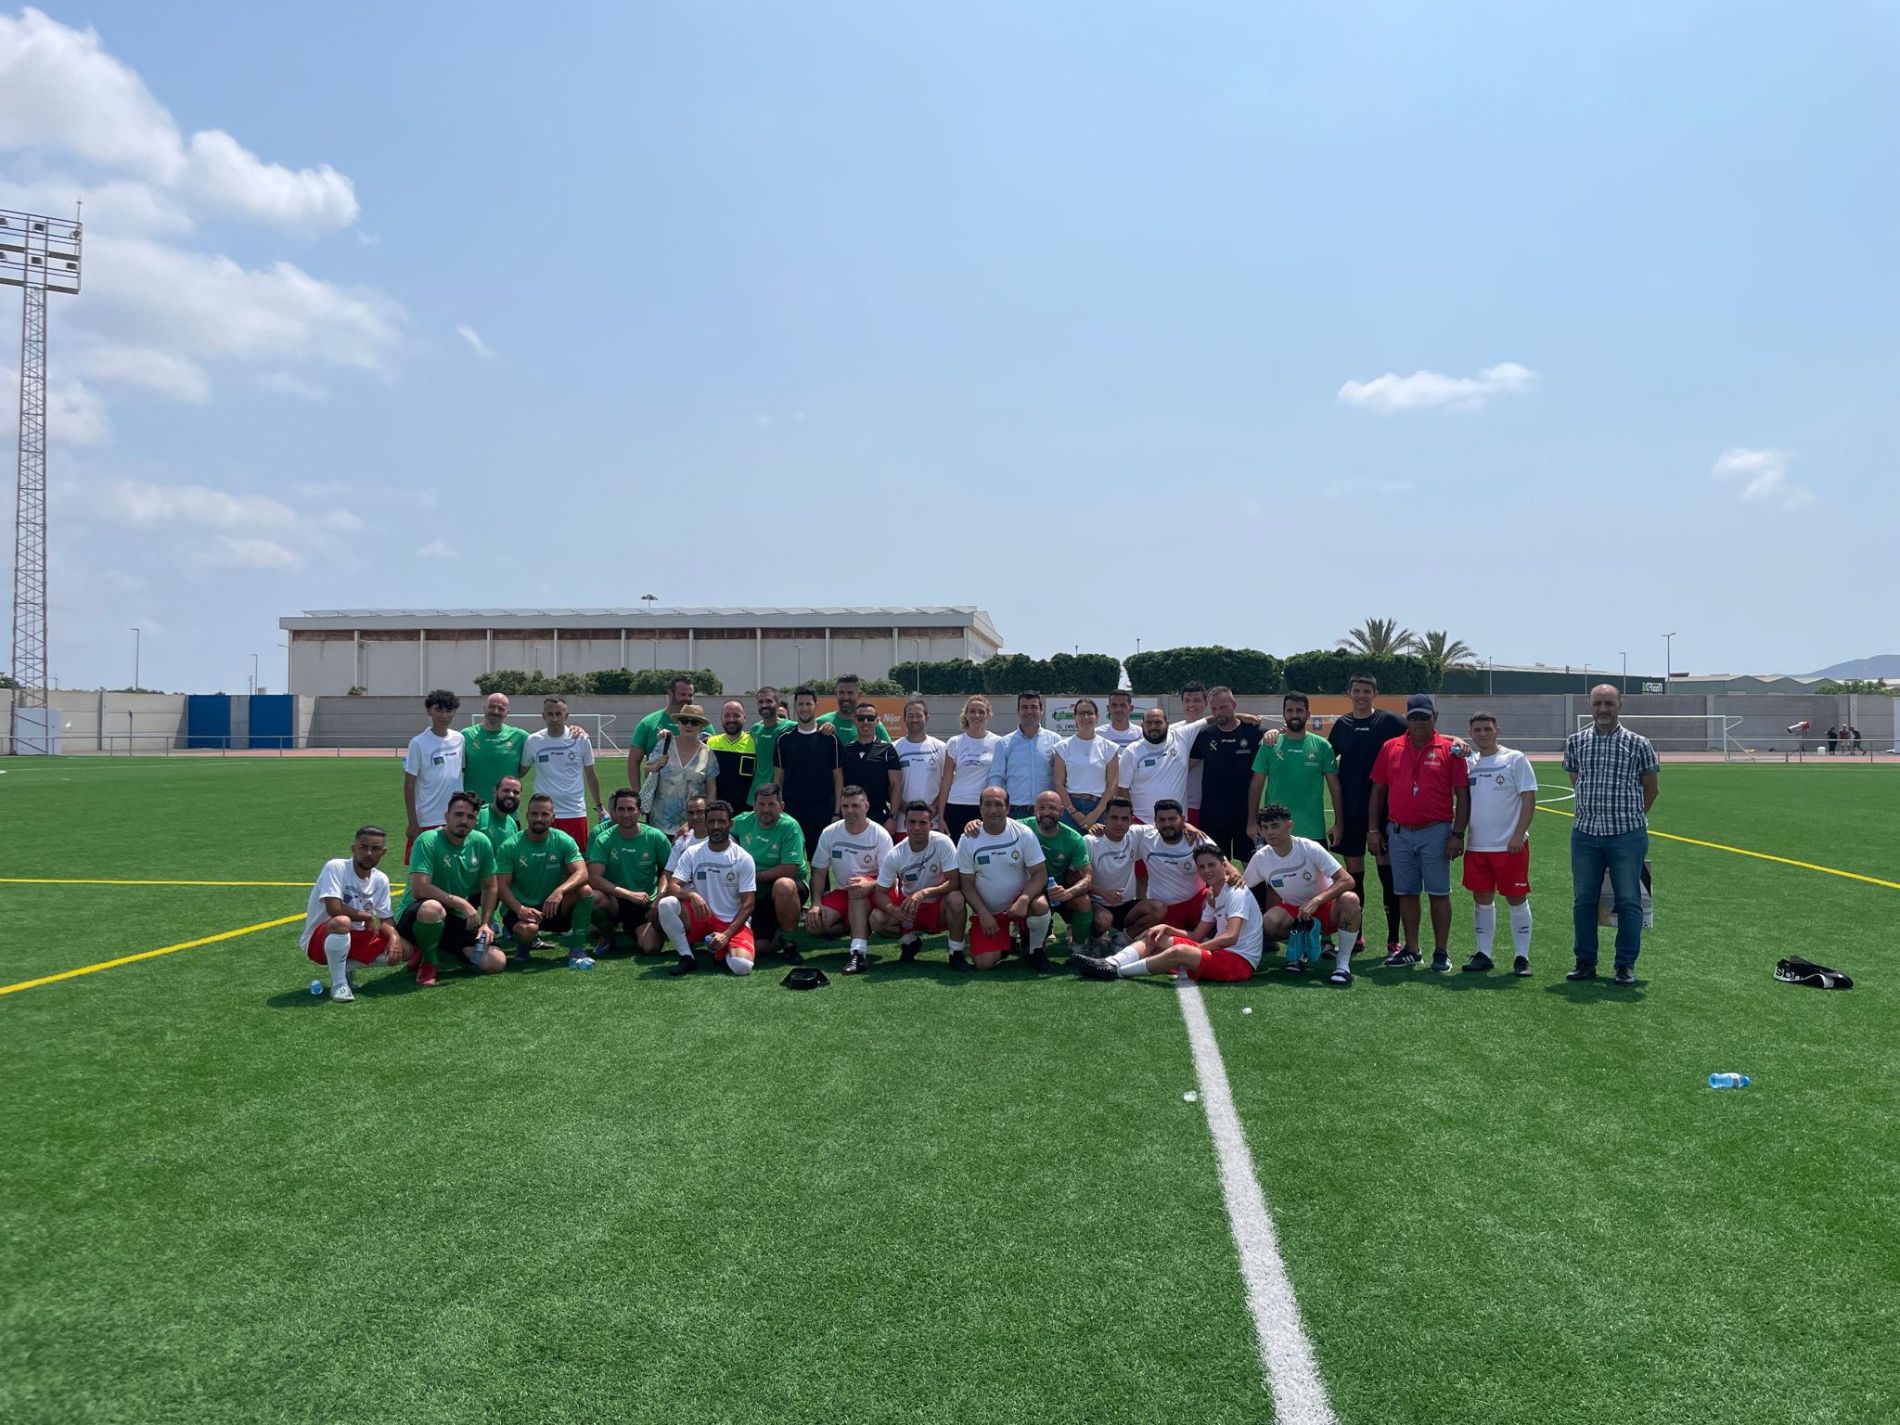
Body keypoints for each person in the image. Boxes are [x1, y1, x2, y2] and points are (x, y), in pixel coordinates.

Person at [1563, 684, 1660, 986]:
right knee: (1584, 900)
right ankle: (1585, 962)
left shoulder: (1638, 743)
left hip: (1626, 836)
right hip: (1586, 834)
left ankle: (1625, 965)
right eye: (1597, 703)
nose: (1603, 709)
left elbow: (1651, 787)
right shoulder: (1576, 742)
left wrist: (1631, 819)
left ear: (1620, 704)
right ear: (1589, 705)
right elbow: (1576, 779)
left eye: (1609, 703)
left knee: (1629, 900)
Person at [1367, 694, 1471, 973]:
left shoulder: (1450, 750)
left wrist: (1458, 834)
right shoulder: (1390, 747)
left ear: (1434, 717)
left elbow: (1463, 795)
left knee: (1439, 893)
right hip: (1398, 832)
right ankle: (1412, 949)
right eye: (1413, 717)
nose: (1418, 722)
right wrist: (1374, 829)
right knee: (1406, 892)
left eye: (1424, 717)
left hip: (1435, 832)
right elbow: (1377, 791)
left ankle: (1441, 951)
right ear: (1407, 719)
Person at [1073, 844, 1264, 984]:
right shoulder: (1215, 893)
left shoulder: (1236, 892)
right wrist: (1167, 928)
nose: (1206, 871)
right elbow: (1196, 935)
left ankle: (1117, 971)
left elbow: (1231, 937)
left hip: (1240, 962)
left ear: (1224, 865)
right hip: (1223, 953)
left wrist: (1199, 948)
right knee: (1156, 934)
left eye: (1211, 865)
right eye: (1202, 867)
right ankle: (1110, 962)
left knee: (1180, 951)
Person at [1326, 673, 1409, 957]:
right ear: (1349, 692)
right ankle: (1356, 934)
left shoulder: (1390, 722)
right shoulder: (1342, 726)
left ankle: (1393, 939)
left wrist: (1455, 738)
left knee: (1388, 875)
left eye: (1367, 690)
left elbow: (1423, 733)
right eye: (1357, 690)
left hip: (1384, 810)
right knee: (1354, 876)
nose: (1361, 695)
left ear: (1375, 693)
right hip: (1351, 811)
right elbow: (1326, 758)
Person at [1244, 803, 1363, 985]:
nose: (1270, 832)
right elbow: (1242, 888)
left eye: (1275, 826)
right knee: (1268, 922)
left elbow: (1347, 880)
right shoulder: (1261, 858)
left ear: (1289, 825)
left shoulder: (1309, 847)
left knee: (1351, 899)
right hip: (1296, 912)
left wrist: (1317, 900)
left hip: (1326, 908)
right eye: (1265, 828)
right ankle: (1302, 946)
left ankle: (1342, 964)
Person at [394, 791, 505, 986]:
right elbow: (420, 889)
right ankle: (429, 962)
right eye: (459, 814)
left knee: (496, 961)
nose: (464, 821)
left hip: (453, 917)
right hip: (417, 914)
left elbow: (490, 886)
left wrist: (486, 923)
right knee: (432, 908)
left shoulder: (481, 842)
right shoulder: (428, 840)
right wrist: (462, 902)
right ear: (447, 816)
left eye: (470, 817)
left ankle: (435, 950)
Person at [1460, 711, 1538, 976]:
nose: (1482, 734)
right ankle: (1484, 954)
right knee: (1481, 900)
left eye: (1487, 729)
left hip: (1510, 846)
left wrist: (1518, 835)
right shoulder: (1469, 763)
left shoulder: (1514, 759)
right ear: (1471, 734)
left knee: (1516, 899)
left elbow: (1528, 799)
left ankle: (1522, 957)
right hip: (1477, 846)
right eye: (1477, 730)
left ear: (1497, 731)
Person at [946, 786, 1050, 971]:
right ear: (979, 808)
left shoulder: (1023, 833)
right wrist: (983, 914)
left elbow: (1040, 873)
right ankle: (1008, 943)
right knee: (983, 963)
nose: (993, 810)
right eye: (987, 804)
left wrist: (1024, 899)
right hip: (989, 913)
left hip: (1020, 905)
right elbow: (967, 884)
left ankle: (1036, 951)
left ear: (1008, 808)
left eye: (998, 804)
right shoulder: (968, 838)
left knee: (1040, 905)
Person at [658, 800, 758, 977]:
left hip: (731, 922)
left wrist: (726, 935)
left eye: (721, 821)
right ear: (705, 823)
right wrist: (691, 895)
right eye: (711, 822)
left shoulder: (743, 858)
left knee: (742, 967)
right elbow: (672, 887)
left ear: (730, 823)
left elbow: (748, 904)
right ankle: (687, 957)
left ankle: (720, 948)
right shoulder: (693, 852)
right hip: (701, 916)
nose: (716, 826)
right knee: (666, 903)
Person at [300, 825, 399, 1002]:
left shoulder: (381, 879)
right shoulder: (336, 867)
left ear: (383, 853)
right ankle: (339, 984)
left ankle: (343, 968)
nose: (369, 853)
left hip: (355, 936)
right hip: (321, 938)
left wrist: (394, 937)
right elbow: (334, 909)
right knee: (342, 921)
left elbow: (386, 919)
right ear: (354, 848)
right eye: (364, 847)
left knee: (403, 951)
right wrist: (367, 916)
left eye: (375, 849)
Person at [496, 792, 593, 967]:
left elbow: (583, 873)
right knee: (527, 930)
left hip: (553, 905)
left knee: (585, 890)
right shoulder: (510, 845)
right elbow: (501, 886)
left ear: (553, 817)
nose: (539, 818)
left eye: (544, 814)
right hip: (522, 908)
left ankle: (577, 948)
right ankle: (524, 945)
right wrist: (520, 909)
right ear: (527, 816)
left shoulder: (563, 840)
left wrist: (559, 891)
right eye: (534, 814)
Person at [807, 786, 896, 974]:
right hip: (843, 892)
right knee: (815, 925)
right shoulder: (830, 832)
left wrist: (869, 884)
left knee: (857, 887)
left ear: (866, 806)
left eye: (855, 805)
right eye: (845, 806)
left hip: (877, 892)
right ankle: (856, 926)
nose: (850, 811)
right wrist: (815, 903)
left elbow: (892, 879)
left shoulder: (880, 835)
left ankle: (858, 953)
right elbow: (819, 871)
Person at [1246, 691, 1342, 852]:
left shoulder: (1322, 746)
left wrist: (1339, 823)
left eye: (1299, 710)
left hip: (1313, 829)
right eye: (1290, 710)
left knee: (1315, 877)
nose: (1294, 715)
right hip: (1274, 829)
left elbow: (1335, 788)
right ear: (1284, 714)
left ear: (1308, 714)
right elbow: (1256, 785)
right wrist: (1252, 821)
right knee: (1275, 876)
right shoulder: (1269, 744)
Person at [585, 788, 674, 956]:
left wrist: (658, 900)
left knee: (651, 948)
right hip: (615, 900)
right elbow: (594, 878)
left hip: (644, 901)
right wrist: (628, 894)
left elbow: (668, 871)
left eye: (631, 809)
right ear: (615, 812)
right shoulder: (604, 839)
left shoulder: (655, 837)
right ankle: (608, 935)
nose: (626, 814)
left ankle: (644, 927)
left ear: (640, 812)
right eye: (621, 809)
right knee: (589, 897)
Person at [730, 782, 810, 962]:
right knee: (758, 949)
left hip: (786, 888)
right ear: (754, 805)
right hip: (755, 891)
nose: (766, 809)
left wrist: (751, 877)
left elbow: (790, 868)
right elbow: (716, 827)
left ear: (781, 806)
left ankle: (789, 943)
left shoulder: (790, 827)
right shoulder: (742, 821)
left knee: (784, 885)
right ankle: (776, 936)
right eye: (762, 804)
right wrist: (689, 827)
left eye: (772, 804)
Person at [871, 801, 958, 961]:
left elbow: (955, 881)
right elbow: (880, 892)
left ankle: (956, 953)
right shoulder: (895, 854)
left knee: (956, 898)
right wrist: (893, 910)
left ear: (931, 825)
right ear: (904, 824)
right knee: (876, 919)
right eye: (912, 822)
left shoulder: (943, 842)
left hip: (938, 906)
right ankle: (910, 941)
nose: (917, 827)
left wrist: (925, 893)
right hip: (908, 908)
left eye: (922, 823)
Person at [1119, 800, 1215, 938]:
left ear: (1182, 819)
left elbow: (1226, 868)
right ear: (1155, 822)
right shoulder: (1145, 837)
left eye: (1172, 819)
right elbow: (1115, 830)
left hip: (1196, 902)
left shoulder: (1197, 838)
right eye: (1162, 820)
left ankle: (1216, 940)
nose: (1167, 824)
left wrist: (1217, 888)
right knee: (1162, 944)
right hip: (1166, 909)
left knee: (1219, 896)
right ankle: (1123, 940)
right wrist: (1099, 829)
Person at [1190, 685, 1265, 860]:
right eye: (1214, 709)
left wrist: (1277, 732)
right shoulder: (1204, 735)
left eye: (1223, 707)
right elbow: (1184, 765)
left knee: (1253, 867)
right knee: (1215, 867)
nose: (1218, 713)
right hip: (1212, 815)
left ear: (1234, 704)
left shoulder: (1255, 733)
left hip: (1246, 814)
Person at [774, 685, 844, 860]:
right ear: (795, 706)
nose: (804, 708)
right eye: (801, 704)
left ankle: (822, 890)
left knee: (819, 863)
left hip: (821, 810)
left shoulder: (830, 739)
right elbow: (778, 778)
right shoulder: (784, 739)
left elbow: (838, 779)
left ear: (816, 706)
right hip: (791, 809)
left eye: (808, 704)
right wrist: (777, 809)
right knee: (790, 861)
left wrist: (836, 812)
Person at [522, 696, 603, 847]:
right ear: (543, 716)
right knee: (545, 861)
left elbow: (591, 774)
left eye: (558, 714)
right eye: (550, 714)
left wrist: (599, 806)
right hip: (544, 814)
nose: (554, 718)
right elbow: (520, 772)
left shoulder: (581, 739)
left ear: (566, 716)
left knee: (577, 860)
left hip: (574, 811)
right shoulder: (533, 741)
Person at [402, 689, 467, 864]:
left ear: (454, 712)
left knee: (452, 866)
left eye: (448, 711)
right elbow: (409, 784)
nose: (444, 715)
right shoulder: (418, 743)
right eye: (439, 710)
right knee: (423, 869)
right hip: (427, 818)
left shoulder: (459, 739)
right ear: (429, 711)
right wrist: (412, 822)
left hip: (454, 817)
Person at [1023, 790, 1093, 949]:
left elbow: (1087, 877)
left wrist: (1069, 892)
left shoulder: (1073, 838)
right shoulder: (1022, 827)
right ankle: (1029, 941)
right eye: (1042, 808)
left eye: (1052, 808)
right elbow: (997, 826)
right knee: (1029, 946)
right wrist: (975, 823)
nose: (1046, 812)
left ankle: (1078, 949)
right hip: (1030, 892)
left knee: (1083, 901)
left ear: (1061, 812)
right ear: (1035, 810)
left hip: (1059, 893)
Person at [935, 695, 1006, 843]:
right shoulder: (955, 742)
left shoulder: (998, 742)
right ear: (966, 715)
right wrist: (941, 816)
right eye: (972, 711)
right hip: (955, 806)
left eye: (981, 712)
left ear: (988, 715)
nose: (976, 715)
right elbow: (946, 780)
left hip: (983, 807)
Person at [640, 703, 716, 837]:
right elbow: (647, 767)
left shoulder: (707, 752)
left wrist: (708, 815)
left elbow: (711, 788)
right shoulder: (665, 743)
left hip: (693, 823)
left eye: (694, 722)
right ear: (678, 723)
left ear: (700, 726)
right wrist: (657, 765)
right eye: (684, 721)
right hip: (660, 820)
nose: (689, 725)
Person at [1053, 696, 1122, 833]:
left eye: (1090, 713)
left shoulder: (1109, 747)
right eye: (1081, 713)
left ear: (1097, 717)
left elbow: (1112, 785)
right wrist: (1074, 813)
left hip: (1100, 808)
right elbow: (1059, 783)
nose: (1086, 717)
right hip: (1070, 808)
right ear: (1075, 717)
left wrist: (1096, 813)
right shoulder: (1062, 747)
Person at [1116, 708, 1196, 825]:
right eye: (1149, 723)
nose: (1153, 726)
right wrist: (1130, 819)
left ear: (1167, 724)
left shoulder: (1181, 740)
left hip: (1176, 823)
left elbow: (1204, 722)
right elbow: (1122, 788)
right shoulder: (1132, 751)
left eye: (1158, 722)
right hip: (1141, 822)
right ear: (1142, 725)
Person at [1082, 797, 1143, 949]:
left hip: (1126, 904)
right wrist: (1103, 893)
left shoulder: (1137, 834)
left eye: (1124, 819)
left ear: (1132, 820)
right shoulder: (1090, 841)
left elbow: (1165, 826)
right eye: (1114, 817)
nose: (1119, 823)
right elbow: (1074, 877)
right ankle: (1093, 939)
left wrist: (1187, 826)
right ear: (1105, 818)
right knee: (1103, 919)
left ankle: (1120, 940)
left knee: (1158, 908)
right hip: (1097, 903)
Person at [991, 691, 1061, 817]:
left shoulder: (1055, 740)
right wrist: (995, 806)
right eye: (1024, 707)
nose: (1029, 711)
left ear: (1042, 710)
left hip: (1046, 812)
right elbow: (996, 778)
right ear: (1018, 711)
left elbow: (1061, 778)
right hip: (1014, 811)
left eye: (1033, 707)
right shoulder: (1003, 743)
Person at [840, 706, 904, 828]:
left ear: (877, 721)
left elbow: (896, 784)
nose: (865, 722)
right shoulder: (846, 750)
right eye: (861, 718)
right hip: (850, 816)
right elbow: (840, 783)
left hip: (879, 816)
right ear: (854, 720)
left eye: (870, 718)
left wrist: (893, 817)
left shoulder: (887, 750)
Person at [462, 693, 529, 806]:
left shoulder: (520, 736)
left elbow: (544, 740)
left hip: (506, 808)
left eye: (501, 708)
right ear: (484, 707)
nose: (496, 711)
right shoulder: (466, 735)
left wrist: (569, 730)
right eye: (492, 706)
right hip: (473, 807)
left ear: (508, 712)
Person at [628, 674, 695, 779]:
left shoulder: (701, 725)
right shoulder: (648, 724)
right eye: (682, 694)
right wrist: (636, 794)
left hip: (692, 793)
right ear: (670, 694)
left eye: (690, 695)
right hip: (657, 793)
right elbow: (633, 762)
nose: (687, 698)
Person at [892, 698, 948, 813]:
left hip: (933, 820)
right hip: (903, 821)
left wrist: (935, 808)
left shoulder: (941, 747)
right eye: (910, 716)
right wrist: (904, 807)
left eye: (918, 715)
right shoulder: (894, 748)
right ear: (904, 719)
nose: (914, 719)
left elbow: (947, 783)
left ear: (927, 718)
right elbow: (890, 785)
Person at [706, 699, 758, 810]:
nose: (731, 719)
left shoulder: (755, 743)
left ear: (744, 718)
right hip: (717, 812)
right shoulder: (710, 743)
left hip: (746, 812)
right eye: (727, 715)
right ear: (721, 718)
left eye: (736, 715)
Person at [814, 674, 894, 743]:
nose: (846, 697)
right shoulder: (821, 722)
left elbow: (890, 753)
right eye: (841, 693)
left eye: (850, 693)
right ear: (836, 694)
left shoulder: (872, 724)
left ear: (859, 695)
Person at [749, 687, 796, 804]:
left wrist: (825, 727)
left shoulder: (791, 727)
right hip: (758, 793)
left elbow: (811, 728)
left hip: (782, 794)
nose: (764, 705)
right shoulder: (755, 729)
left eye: (769, 701)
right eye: (761, 702)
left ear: (777, 703)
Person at [1177, 681, 1210, 825]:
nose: (1191, 705)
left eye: (1197, 700)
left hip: (1210, 803)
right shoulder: (1173, 732)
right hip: (1182, 803)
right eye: (1187, 700)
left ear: (1206, 703)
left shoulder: (1217, 731)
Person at [475, 775, 523, 845]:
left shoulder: (512, 825)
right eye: (506, 790)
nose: (511, 795)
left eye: (516, 792)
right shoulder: (479, 815)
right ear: (495, 792)